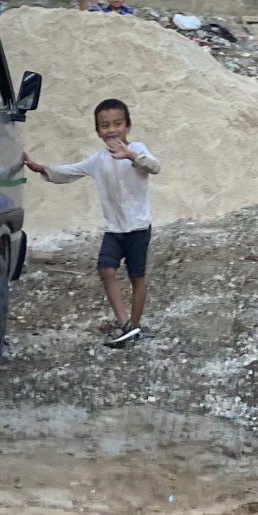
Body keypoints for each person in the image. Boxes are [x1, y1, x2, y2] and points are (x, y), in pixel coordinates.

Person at [24, 98, 158, 347]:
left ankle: (136, 324)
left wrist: (130, 155)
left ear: (128, 126)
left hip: (138, 227)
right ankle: (126, 325)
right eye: (105, 125)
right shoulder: (98, 160)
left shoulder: (138, 149)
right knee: (106, 269)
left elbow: (154, 166)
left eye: (118, 124)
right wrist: (40, 168)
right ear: (98, 131)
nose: (112, 130)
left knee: (136, 277)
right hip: (114, 229)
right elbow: (70, 171)